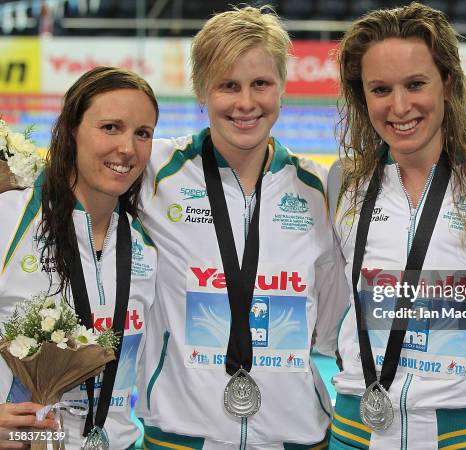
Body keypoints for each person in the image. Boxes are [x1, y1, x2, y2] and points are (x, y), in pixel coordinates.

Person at [135, 6, 347, 449]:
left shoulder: (316, 190)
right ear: (200, 91)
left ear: (282, 89)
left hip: (295, 436)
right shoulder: (154, 173)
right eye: (228, 85)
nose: (246, 103)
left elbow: (329, 318)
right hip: (181, 436)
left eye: (261, 84)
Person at [327, 3, 466, 449]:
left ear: (447, 84)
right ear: (362, 95)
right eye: (380, 89)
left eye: (416, 84)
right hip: (358, 426)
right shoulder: (344, 182)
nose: (399, 106)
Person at [0, 66, 159, 449]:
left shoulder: (148, 245)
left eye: (143, 133)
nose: (128, 148)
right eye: (110, 127)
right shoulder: (10, 219)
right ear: (71, 130)